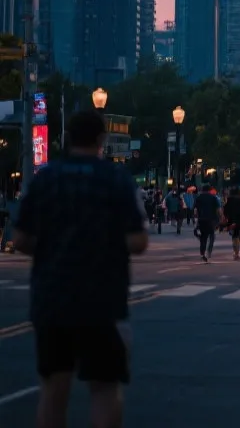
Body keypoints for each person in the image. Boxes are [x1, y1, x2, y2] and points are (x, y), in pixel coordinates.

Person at [13, 109, 150, 428]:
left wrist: (53, 248)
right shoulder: (117, 180)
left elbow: (20, 239)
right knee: (105, 388)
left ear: (67, 139)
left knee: (52, 389)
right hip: (102, 299)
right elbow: (139, 241)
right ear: (102, 139)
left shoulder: (45, 179)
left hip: (51, 297)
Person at [194, 183, 221, 261]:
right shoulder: (213, 198)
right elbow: (218, 209)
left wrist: (196, 219)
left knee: (203, 237)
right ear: (209, 190)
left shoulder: (198, 198)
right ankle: (209, 251)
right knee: (212, 236)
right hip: (212, 219)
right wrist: (220, 217)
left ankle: (202, 253)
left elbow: (195, 211)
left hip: (202, 219)